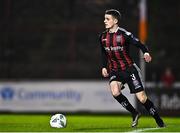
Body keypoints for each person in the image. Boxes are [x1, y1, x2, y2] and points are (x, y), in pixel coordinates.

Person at [99, 9, 165, 128]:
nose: (105, 21)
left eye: (107, 19)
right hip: (115, 70)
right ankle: (134, 112)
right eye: (104, 19)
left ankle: (159, 120)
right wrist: (104, 66)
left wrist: (145, 53)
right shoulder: (103, 37)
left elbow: (140, 44)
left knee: (142, 98)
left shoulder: (124, 34)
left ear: (115, 21)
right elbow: (104, 53)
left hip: (129, 69)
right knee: (115, 92)